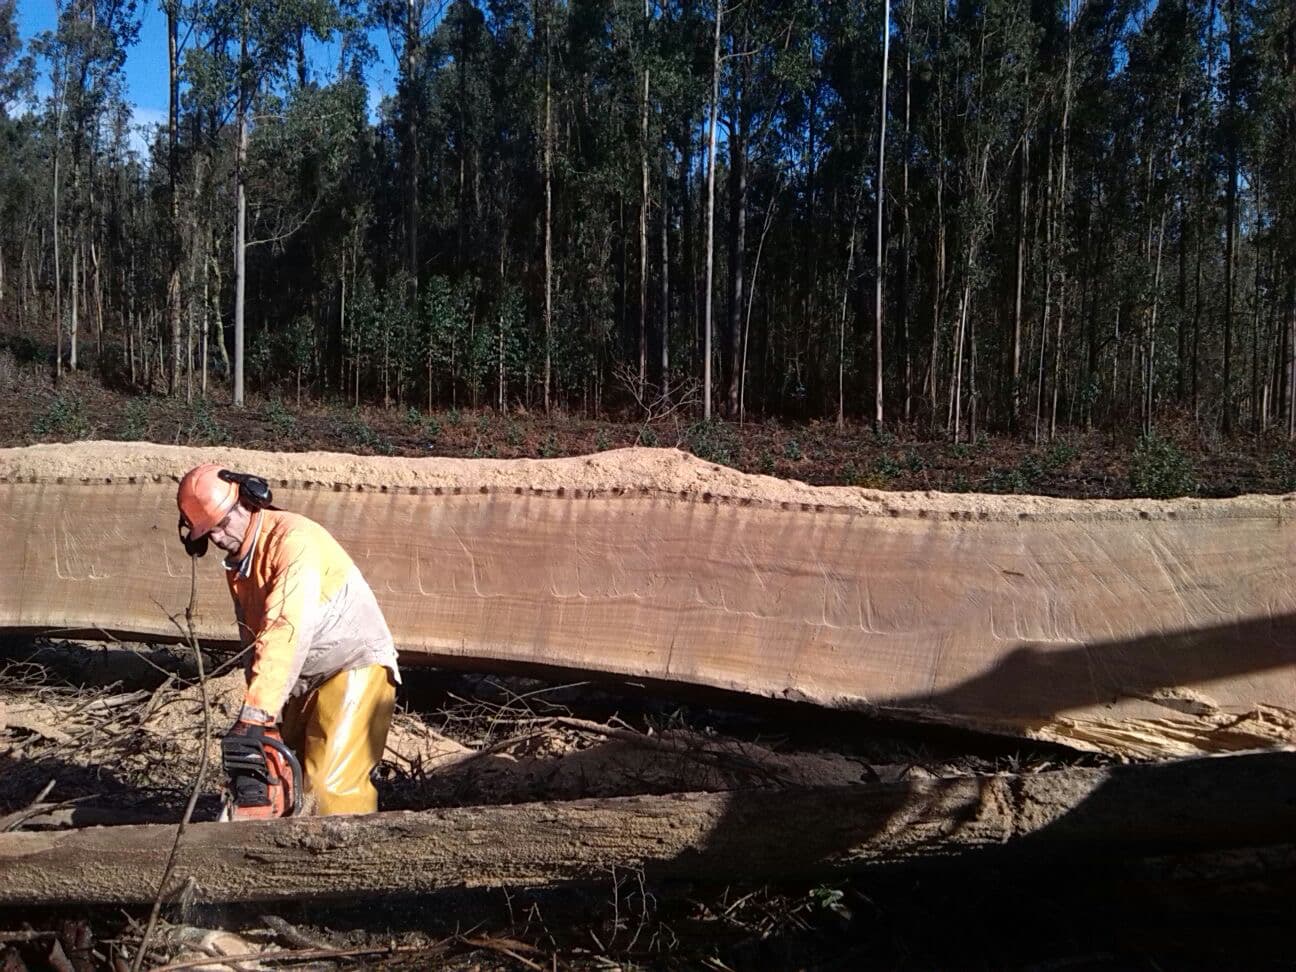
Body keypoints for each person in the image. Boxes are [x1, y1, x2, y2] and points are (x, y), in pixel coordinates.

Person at [176, 463, 400, 816]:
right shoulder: (242, 563)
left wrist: (255, 715)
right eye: (209, 532)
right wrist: (266, 719)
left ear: (249, 501)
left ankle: (351, 864)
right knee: (282, 783)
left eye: (221, 524)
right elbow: (256, 642)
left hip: (353, 665)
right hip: (301, 682)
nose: (218, 538)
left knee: (328, 790)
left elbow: (285, 627)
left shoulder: (292, 541)